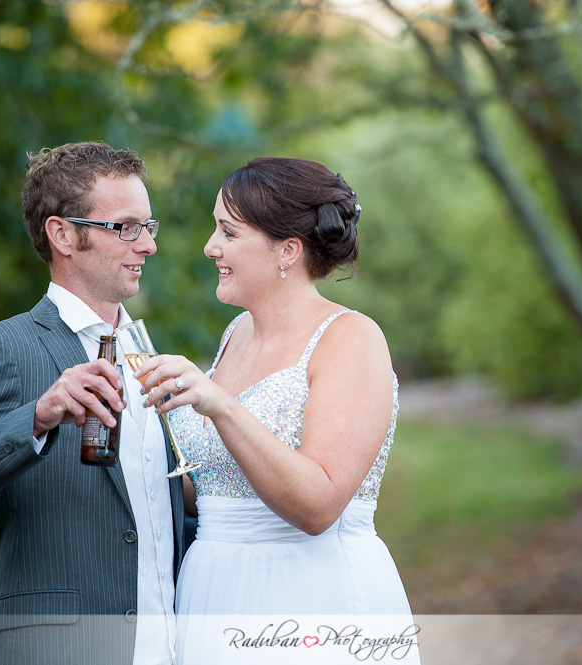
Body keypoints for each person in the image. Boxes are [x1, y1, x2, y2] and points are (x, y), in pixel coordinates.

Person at [0, 141, 186, 665]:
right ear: (62, 235)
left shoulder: (150, 355)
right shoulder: (4, 350)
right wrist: (36, 417)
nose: (148, 246)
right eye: (125, 227)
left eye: (149, 226)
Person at [136, 158, 420, 664]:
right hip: (211, 596)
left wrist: (218, 404)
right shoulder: (234, 336)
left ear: (287, 250)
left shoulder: (351, 339)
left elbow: (318, 505)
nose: (210, 246)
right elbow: (214, 488)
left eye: (228, 231)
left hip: (310, 600)